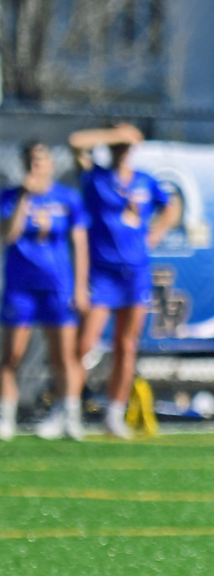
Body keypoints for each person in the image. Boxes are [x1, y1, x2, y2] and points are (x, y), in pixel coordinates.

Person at [69, 124, 180, 439]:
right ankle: (69, 410)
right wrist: (116, 133)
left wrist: (157, 232)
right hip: (102, 272)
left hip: (135, 273)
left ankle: (114, 414)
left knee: (127, 345)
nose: (121, 150)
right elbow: (75, 140)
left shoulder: (144, 180)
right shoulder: (96, 177)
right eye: (117, 146)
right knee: (84, 344)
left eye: (126, 146)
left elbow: (171, 207)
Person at [1, 142, 90, 442]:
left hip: (57, 286)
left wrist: (80, 287)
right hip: (21, 287)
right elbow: (8, 235)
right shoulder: (11, 196)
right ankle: (6, 416)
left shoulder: (68, 197)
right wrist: (24, 196)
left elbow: (80, 244)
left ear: (50, 163)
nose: (36, 165)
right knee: (12, 354)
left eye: (41, 159)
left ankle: (68, 416)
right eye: (31, 160)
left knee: (63, 356)